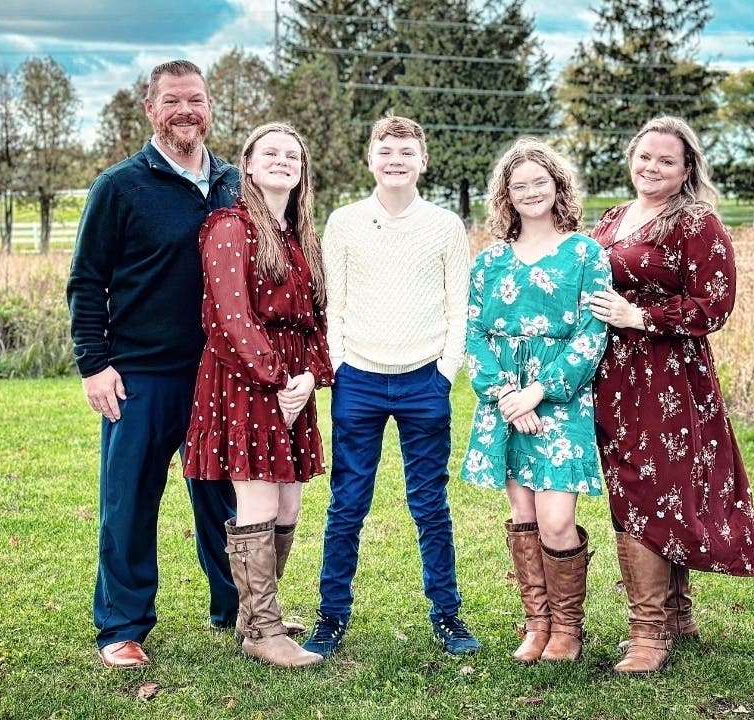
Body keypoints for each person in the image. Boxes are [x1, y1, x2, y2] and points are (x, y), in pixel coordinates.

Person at [67, 60, 241, 669]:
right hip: (140, 374)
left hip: (217, 373)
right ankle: (122, 626)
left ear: (210, 105)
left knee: (224, 498)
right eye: (172, 101)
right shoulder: (118, 186)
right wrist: (94, 364)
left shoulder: (231, 183)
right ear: (150, 108)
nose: (185, 110)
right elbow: (87, 281)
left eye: (195, 99)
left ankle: (238, 607)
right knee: (129, 500)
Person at [588, 116, 754, 675]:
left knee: (650, 488)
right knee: (644, 486)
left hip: (667, 377)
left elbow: (714, 303)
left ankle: (647, 637)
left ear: (687, 167)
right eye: (645, 157)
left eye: (666, 161)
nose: (652, 168)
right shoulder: (617, 217)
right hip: (613, 375)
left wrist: (639, 315)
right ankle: (675, 614)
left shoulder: (696, 223)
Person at [302, 115, 479, 658]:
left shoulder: (445, 225)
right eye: (386, 150)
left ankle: (447, 615)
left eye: (406, 151)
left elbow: (459, 306)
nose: (396, 159)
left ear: (423, 161)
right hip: (360, 378)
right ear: (370, 158)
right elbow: (334, 302)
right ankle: (331, 617)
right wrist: (340, 363)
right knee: (347, 503)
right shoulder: (346, 222)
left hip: (425, 377)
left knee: (430, 504)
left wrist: (446, 370)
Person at [182, 122, 333, 669]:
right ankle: (263, 632)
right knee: (260, 500)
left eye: (292, 154)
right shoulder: (230, 225)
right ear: (247, 164)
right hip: (245, 377)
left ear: (302, 170)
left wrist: (309, 377)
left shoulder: (300, 237)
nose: (282, 161)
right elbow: (230, 316)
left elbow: (318, 321)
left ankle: (255, 613)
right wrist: (275, 380)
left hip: (294, 380)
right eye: (270, 153)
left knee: (289, 502)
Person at [461, 138, 610, 664]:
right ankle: (538, 624)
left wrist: (536, 393)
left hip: (559, 399)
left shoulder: (586, 254)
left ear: (557, 186)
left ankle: (568, 628)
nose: (529, 192)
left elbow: (592, 333)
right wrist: (506, 395)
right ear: (506, 195)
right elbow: (474, 333)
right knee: (522, 514)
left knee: (556, 520)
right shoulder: (489, 261)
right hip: (503, 400)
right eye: (518, 185)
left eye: (538, 182)